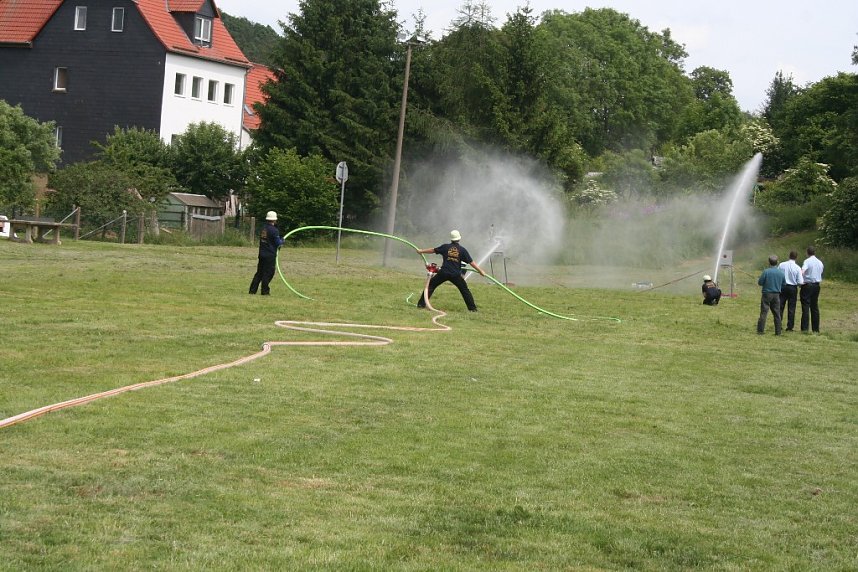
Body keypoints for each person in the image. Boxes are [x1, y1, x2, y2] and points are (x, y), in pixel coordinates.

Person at [416, 230, 487, 311]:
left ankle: (421, 305)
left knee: (431, 286)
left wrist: (421, 251)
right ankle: (473, 309)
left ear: (451, 239)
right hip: (455, 274)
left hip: (443, 272)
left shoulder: (445, 247)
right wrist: (481, 271)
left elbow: (433, 250)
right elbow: (471, 262)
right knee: (465, 290)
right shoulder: (462, 250)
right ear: (459, 238)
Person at [248, 210, 284, 295]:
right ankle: (265, 291)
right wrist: (282, 241)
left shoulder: (263, 228)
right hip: (270, 255)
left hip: (262, 254)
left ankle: (252, 291)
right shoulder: (274, 230)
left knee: (259, 273)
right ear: (274, 220)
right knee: (268, 273)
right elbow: (278, 243)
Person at [757, 254, 785, 335]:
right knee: (777, 313)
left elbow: (760, 282)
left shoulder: (766, 271)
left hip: (766, 294)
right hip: (776, 295)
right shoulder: (781, 272)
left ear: (769, 262)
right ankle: (778, 332)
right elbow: (784, 283)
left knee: (764, 312)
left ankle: (760, 331)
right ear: (777, 262)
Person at [800, 245, 824, 334]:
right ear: (814, 252)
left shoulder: (807, 261)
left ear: (807, 253)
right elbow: (821, 272)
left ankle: (805, 328)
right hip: (816, 285)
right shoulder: (820, 262)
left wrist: (800, 280)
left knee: (805, 306)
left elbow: (802, 271)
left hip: (807, 285)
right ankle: (816, 329)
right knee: (814, 307)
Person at [778, 250, 804, 331]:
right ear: (796, 257)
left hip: (783, 287)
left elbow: (778, 275)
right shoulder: (797, 268)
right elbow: (800, 282)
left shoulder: (782, 265)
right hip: (792, 288)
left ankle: (778, 324)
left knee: (780, 306)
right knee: (791, 308)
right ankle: (790, 327)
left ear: (788, 256)